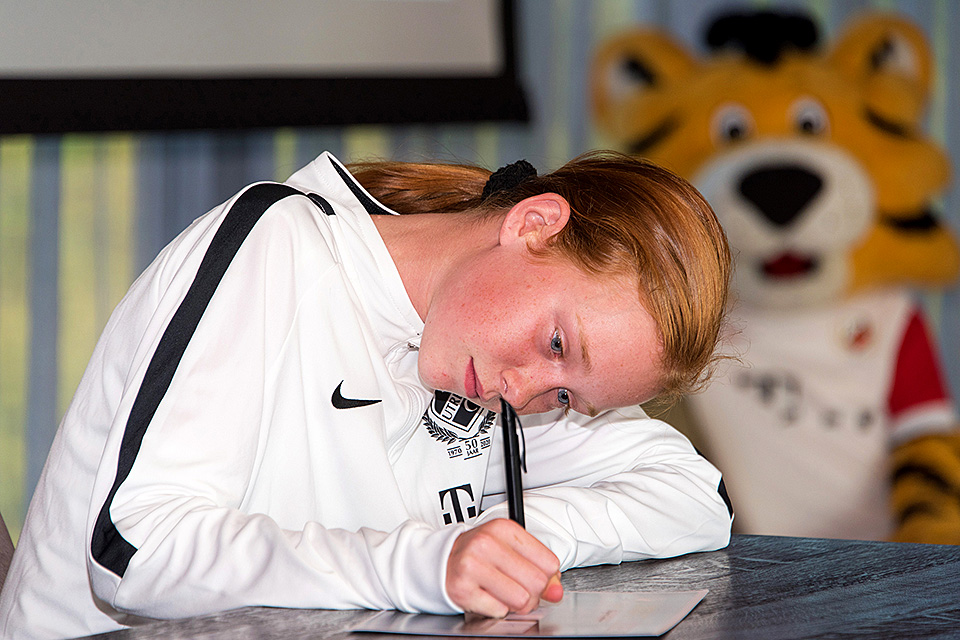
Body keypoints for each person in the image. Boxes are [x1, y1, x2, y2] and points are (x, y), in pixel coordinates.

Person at [0, 150, 733, 639]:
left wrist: (516, 541)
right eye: (557, 345)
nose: (526, 393)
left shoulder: (488, 365)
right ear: (533, 225)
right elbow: (134, 550)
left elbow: (696, 496)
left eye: (569, 399)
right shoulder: (279, 249)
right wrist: (421, 561)